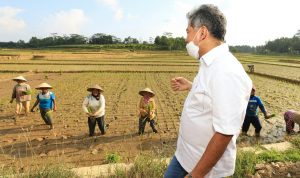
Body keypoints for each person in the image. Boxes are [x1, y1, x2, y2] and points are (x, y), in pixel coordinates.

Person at [164, 4, 252, 178]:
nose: (185, 38)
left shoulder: (227, 71)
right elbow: (212, 94)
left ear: (202, 33)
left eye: (188, 31)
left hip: (203, 169)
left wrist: (196, 175)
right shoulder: (209, 63)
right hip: (184, 157)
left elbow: (224, 133)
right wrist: (191, 86)